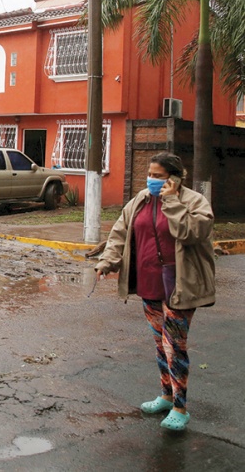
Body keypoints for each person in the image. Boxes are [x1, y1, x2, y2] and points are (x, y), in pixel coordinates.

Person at [95, 152, 215, 431]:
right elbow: (120, 232)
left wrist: (171, 201)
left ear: (175, 177)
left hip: (179, 283)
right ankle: (165, 395)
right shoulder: (141, 200)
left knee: (175, 346)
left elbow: (191, 232)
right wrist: (108, 261)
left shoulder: (194, 202)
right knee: (160, 344)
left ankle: (180, 407)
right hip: (148, 280)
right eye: (150, 175)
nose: (152, 180)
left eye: (158, 176)